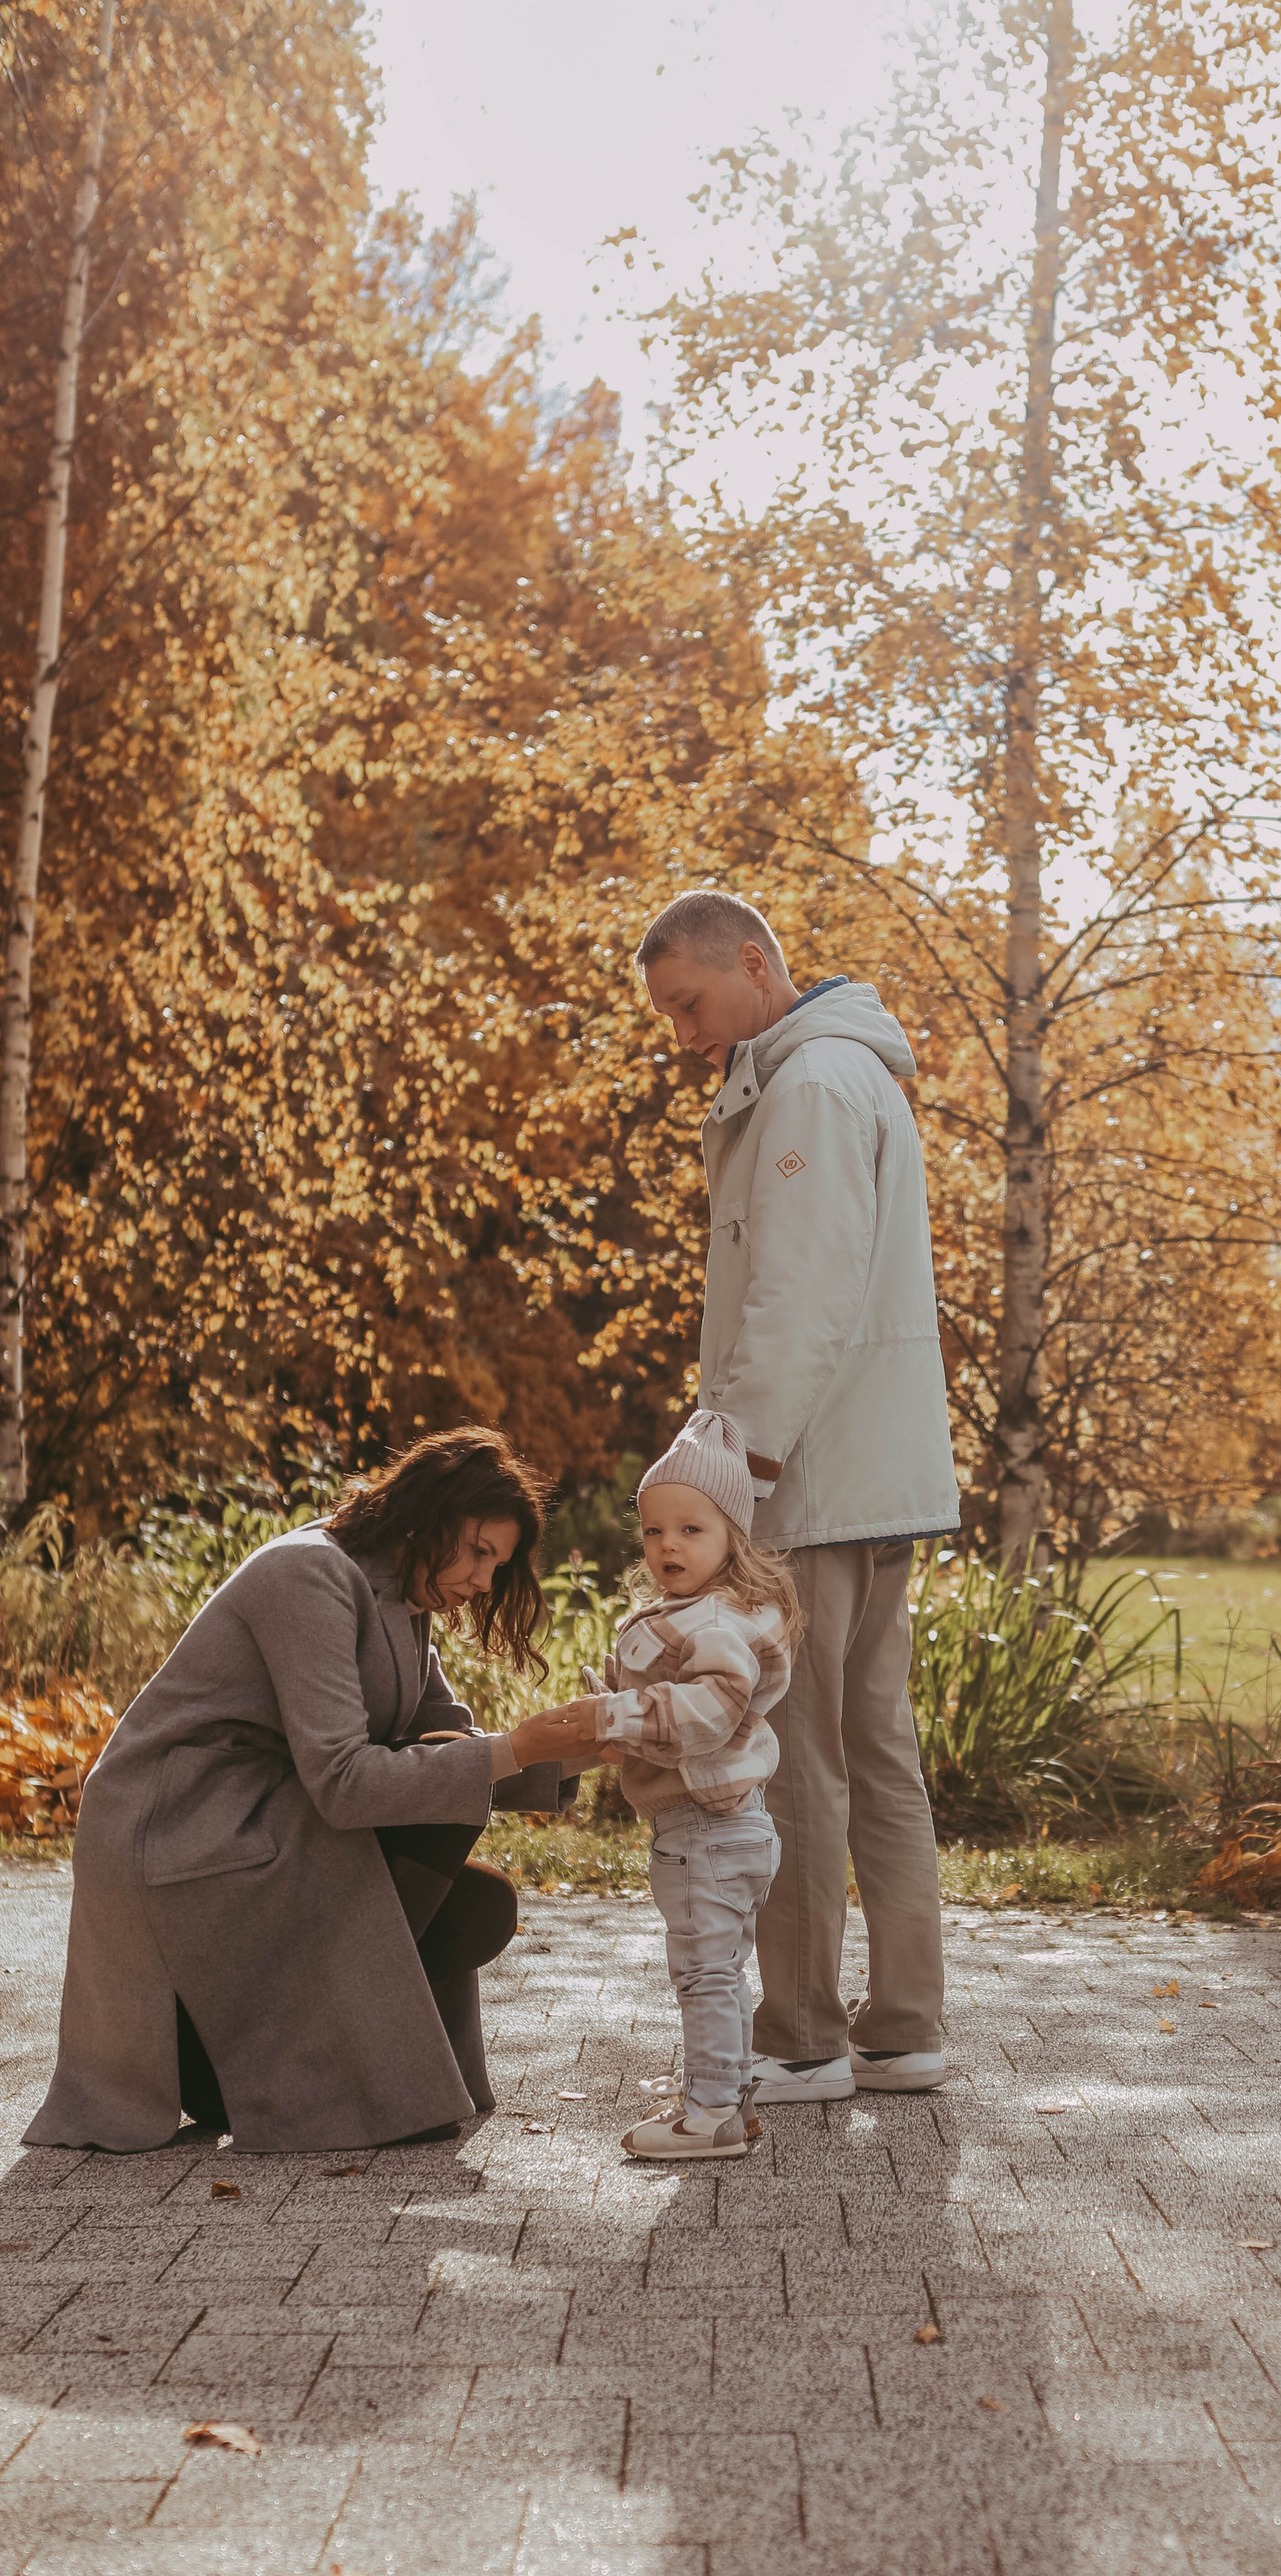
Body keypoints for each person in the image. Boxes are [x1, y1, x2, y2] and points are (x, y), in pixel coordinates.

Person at [25, 1428, 591, 2155]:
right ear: (429, 1513)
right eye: (480, 1551)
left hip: (261, 1814)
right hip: (179, 1823)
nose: (485, 1581)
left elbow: (452, 1737)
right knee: (449, 1822)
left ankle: (290, 2063)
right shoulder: (309, 1574)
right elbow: (346, 1785)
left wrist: (578, 1752)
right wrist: (516, 1749)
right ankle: (279, 2072)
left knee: (480, 1905)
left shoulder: (404, 1595)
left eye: (498, 1564)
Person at [635, 889, 960, 2102]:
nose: (681, 1034)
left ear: (756, 965)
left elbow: (801, 1302)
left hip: (816, 1483)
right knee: (879, 1753)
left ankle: (804, 2035)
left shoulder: (813, 1087)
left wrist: (734, 1472)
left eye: (689, 1003)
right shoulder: (845, 1074)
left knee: (803, 1758)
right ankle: (907, 2026)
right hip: (874, 1481)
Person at [548, 1409, 797, 2160]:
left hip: (707, 1833)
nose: (667, 1546)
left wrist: (618, 1714)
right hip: (729, 1829)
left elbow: (712, 1710)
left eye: (691, 1530)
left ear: (732, 1535)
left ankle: (710, 2115)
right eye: (655, 1531)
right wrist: (617, 1709)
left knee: (703, 1977)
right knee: (719, 1973)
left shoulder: (715, 1622)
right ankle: (734, 2100)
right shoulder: (702, 1612)